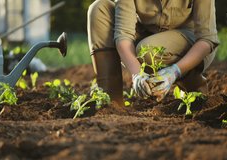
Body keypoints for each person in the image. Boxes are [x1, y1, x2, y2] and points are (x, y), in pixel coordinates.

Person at [87, 0, 219, 107]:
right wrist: (137, 74)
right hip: (146, 33)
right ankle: (111, 102)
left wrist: (175, 71)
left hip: (191, 42)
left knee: (148, 50)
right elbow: (124, 35)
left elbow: (206, 39)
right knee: (99, 9)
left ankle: (194, 84)